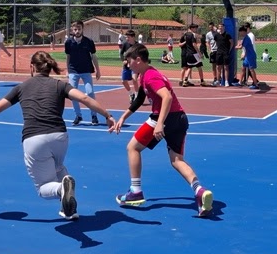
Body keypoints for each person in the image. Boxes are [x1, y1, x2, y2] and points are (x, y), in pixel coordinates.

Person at [0, 51, 115, 220]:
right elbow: (84, 98)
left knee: (43, 187)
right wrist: (107, 115)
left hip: (35, 138)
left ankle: (61, 189)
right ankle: (69, 208)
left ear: (32, 67)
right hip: (60, 137)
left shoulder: (22, 87)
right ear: (49, 67)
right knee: (58, 167)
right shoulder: (60, 85)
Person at [111, 44, 215, 218]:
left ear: (138, 60)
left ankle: (135, 191)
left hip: (165, 118)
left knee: (132, 148)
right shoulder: (146, 75)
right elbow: (139, 100)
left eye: (129, 61)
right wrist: (123, 117)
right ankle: (200, 191)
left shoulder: (150, 76)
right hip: (180, 118)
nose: (127, 65)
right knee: (177, 160)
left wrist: (159, 124)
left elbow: (166, 96)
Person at [64, 21, 102, 125]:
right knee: (73, 94)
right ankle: (78, 115)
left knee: (90, 92)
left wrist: (98, 70)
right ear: (72, 30)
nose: (77, 31)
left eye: (79, 29)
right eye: (75, 29)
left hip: (86, 70)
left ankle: (94, 115)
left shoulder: (89, 41)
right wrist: (67, 70)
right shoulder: (68, 42)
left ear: (82, 29)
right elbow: (68, 56)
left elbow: (93, 56)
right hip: (73, 71)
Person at [239, 25, 260, 89]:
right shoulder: (245, 38)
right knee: (243, 68)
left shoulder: (247, 38)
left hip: (251, 55)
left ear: (243, 32)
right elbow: (244, 47)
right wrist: (244, 55)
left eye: (240, 32)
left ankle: (256, 84)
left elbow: (241, 47)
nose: (240, 33)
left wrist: (235, 47)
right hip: (247, 55)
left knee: (251, 70)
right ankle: (240, 82)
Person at [121, 30, 139, 101]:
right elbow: (121, 53)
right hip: (126, 65)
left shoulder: (137, 45)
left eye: (128, 37)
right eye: (126, 37)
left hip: (134, 66)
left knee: (134, 79)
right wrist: (123, 60)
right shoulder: (125, 44)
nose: (127, 38)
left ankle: (137, 95)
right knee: (123, 81)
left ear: (133, 37)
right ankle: (131, 94)